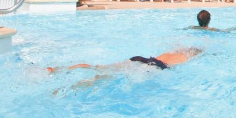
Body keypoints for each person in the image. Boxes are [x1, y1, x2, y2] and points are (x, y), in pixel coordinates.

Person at [47, 46, 202, 74]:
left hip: (141, 58)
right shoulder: (187, 58)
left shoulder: (173, 52)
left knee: (101, 68)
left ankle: (60, 69)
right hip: (153, 66)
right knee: (104, 76)